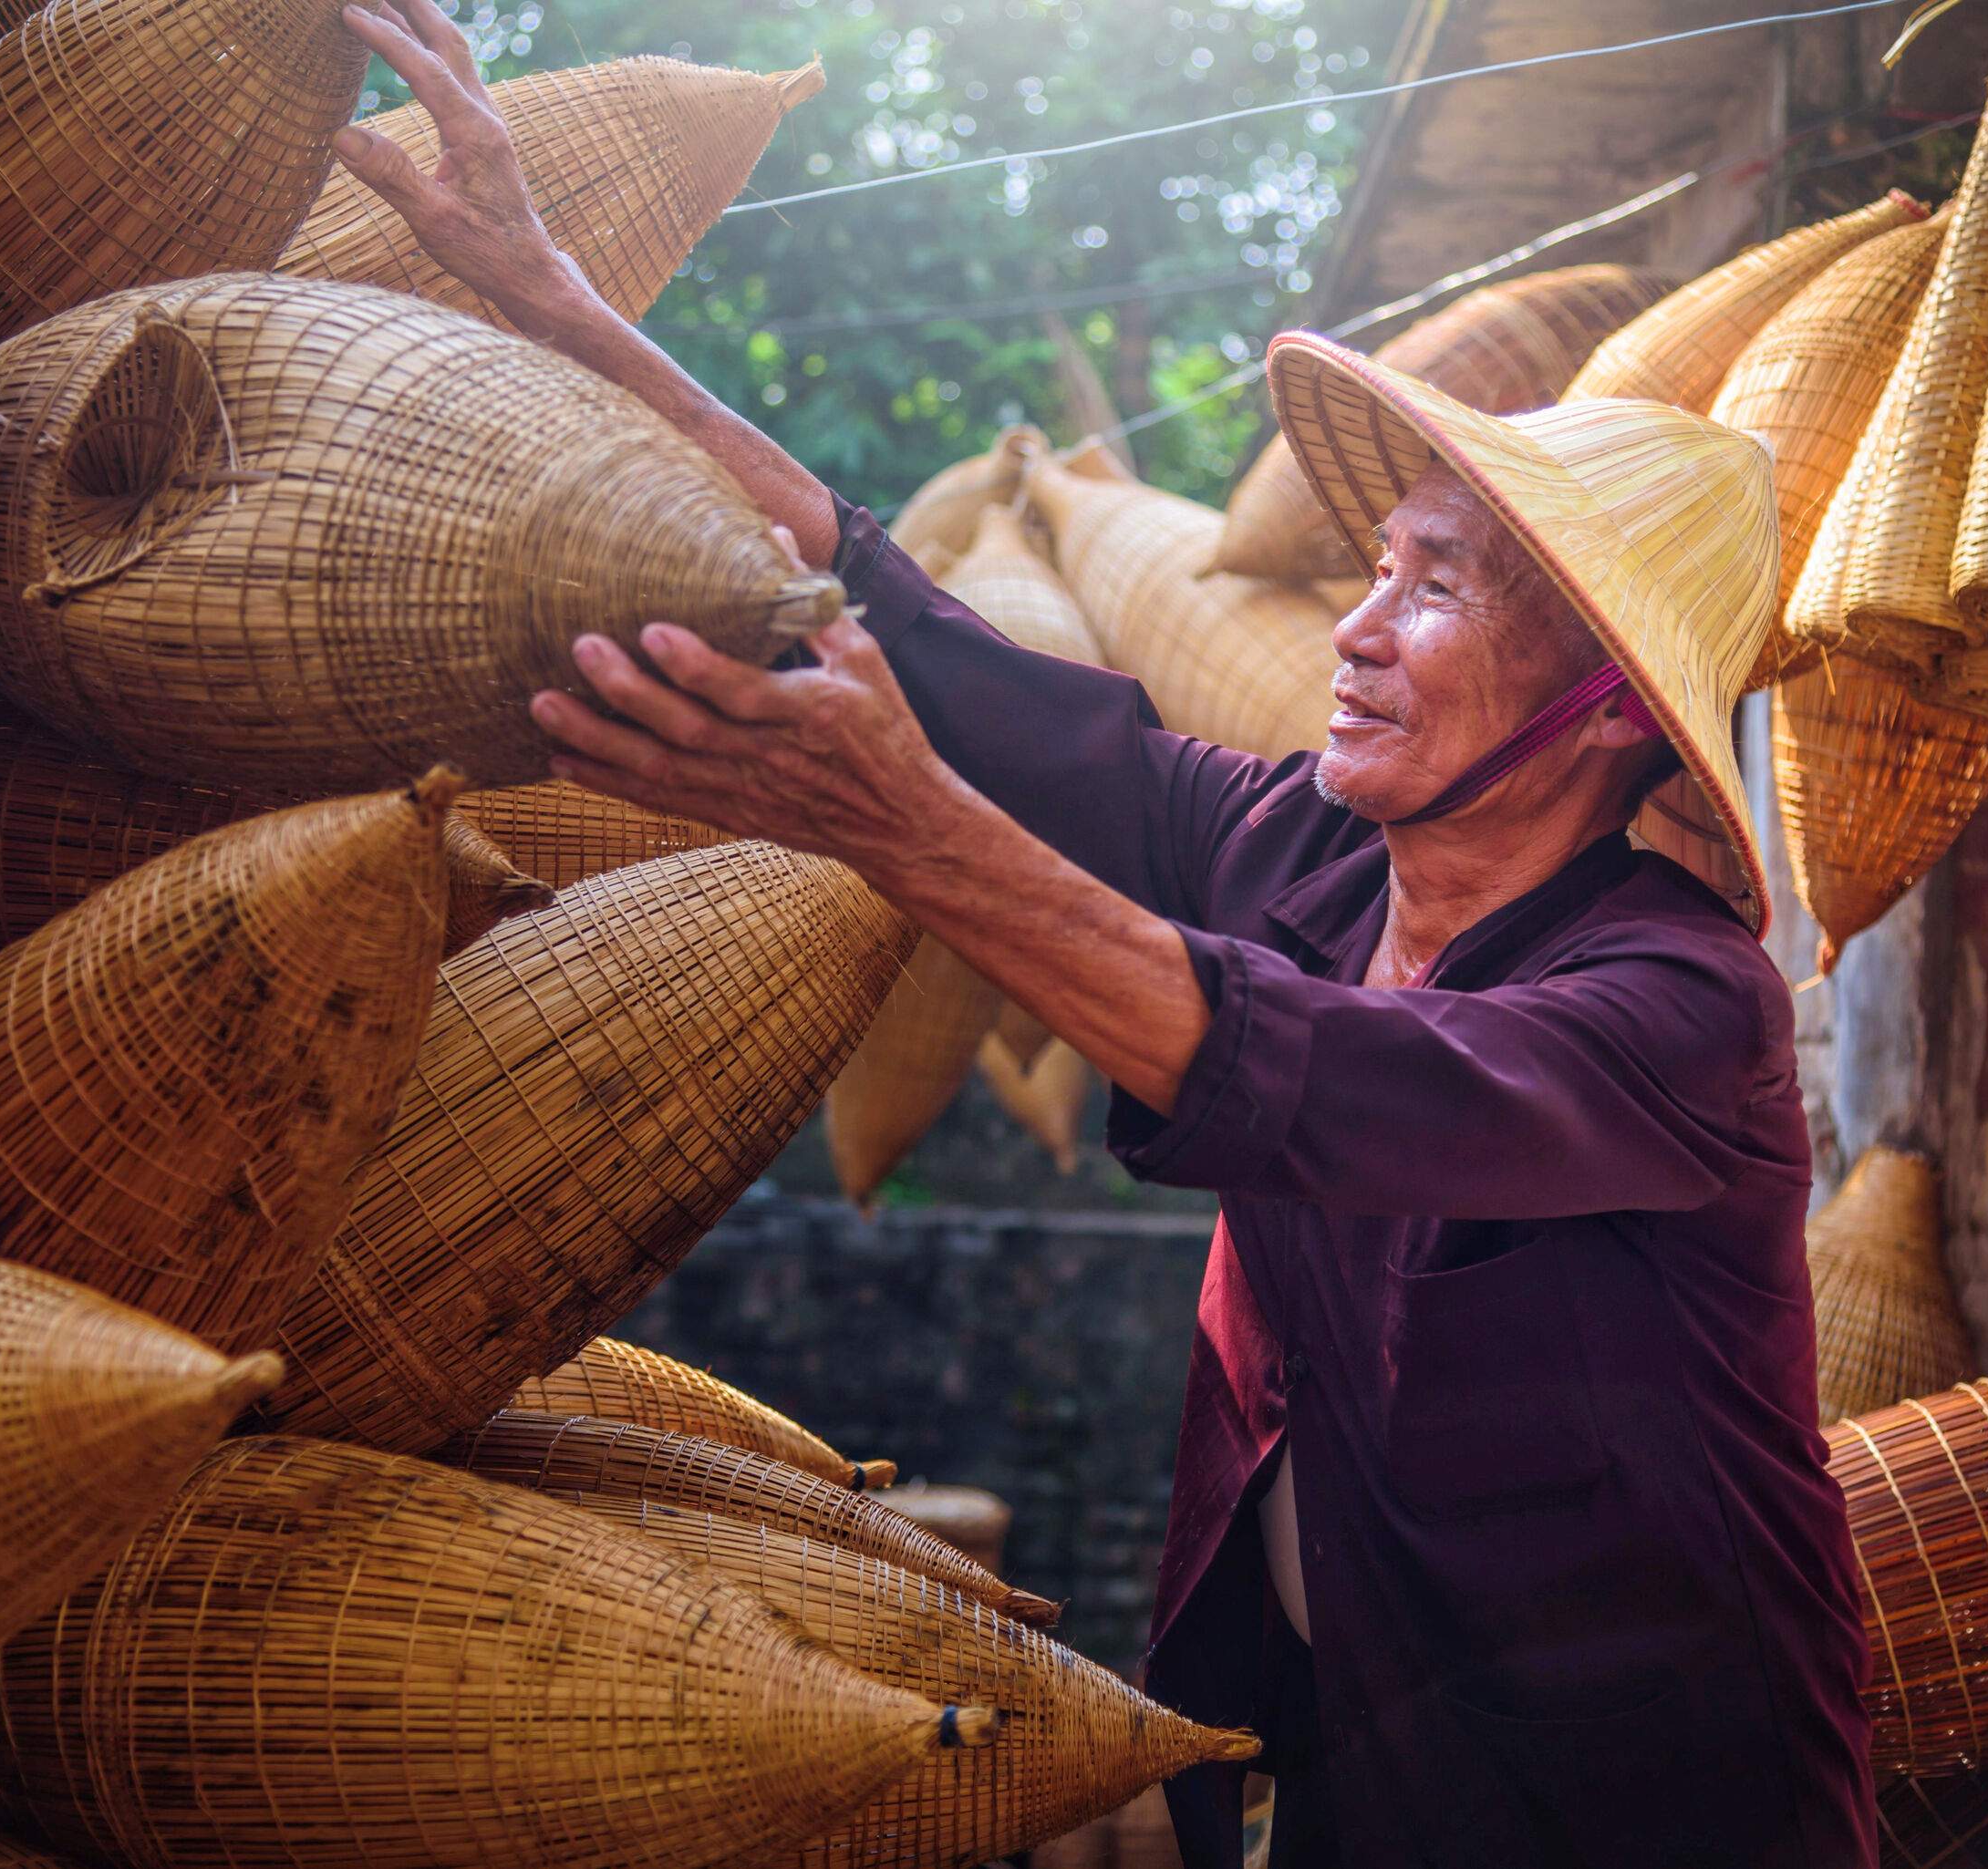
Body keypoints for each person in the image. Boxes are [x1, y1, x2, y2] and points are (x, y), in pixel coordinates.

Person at [324, 4, 1875, 1861]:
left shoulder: (1675, 1005)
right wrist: (569, 308)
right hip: (1359, 1767)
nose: (1362, 628)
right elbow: (918, 632)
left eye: (1439, 585)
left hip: (1659, 1805)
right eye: (1376, 568)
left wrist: (900, 826)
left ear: (1607, 711)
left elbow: (1316, 1073)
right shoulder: (1303, 853)